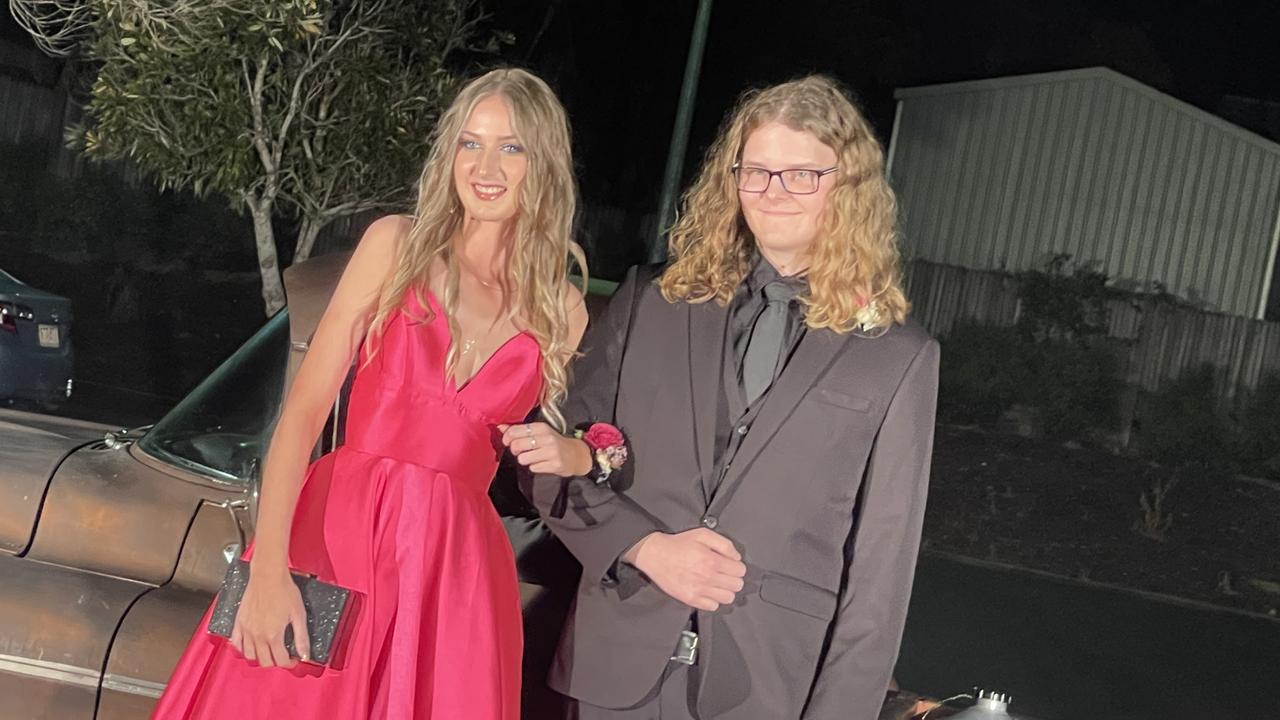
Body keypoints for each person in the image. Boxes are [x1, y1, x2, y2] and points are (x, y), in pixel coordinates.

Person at [153, 68, 588, 720]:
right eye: (471, 143)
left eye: (511, 146)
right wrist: (269, 570)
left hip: (452, 571)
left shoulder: (562, 310)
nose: (486, 165)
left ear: (543, 162)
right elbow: (302, 413)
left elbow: (596, 440)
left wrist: (582, 454)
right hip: (340, 532)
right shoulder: (396, 245)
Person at [505, 76, 939, 719]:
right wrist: (644, 548)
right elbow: (554, 461)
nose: (774, 192)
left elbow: (879, 584)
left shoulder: (899, 357)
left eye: (802, 175)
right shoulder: (652, 301)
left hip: (766, 690)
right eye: (757, 171)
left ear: (847, 186)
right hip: (616, 671)